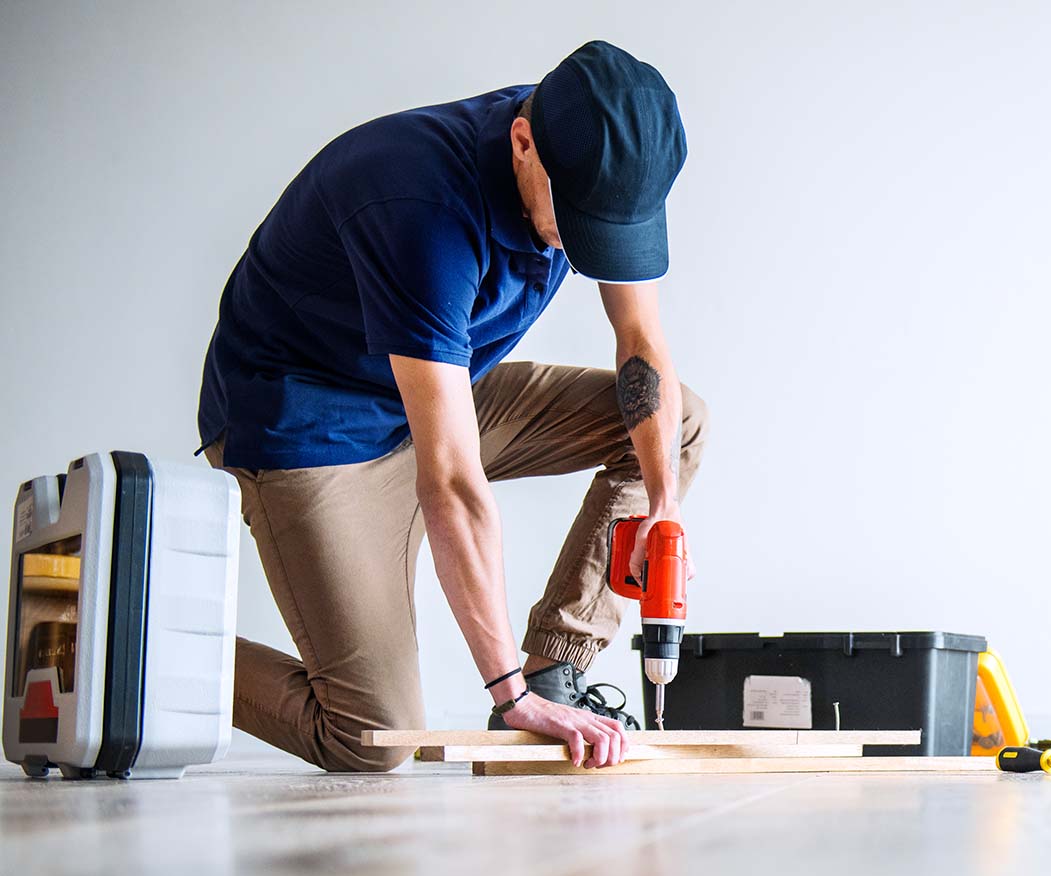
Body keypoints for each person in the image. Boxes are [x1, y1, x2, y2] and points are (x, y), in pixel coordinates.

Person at [196, 40, 707, 772]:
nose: (586, 248)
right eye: (581, 226)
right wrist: (507, 700)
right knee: (370, 737)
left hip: (438, 387)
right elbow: (453, 482)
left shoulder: (593, 146)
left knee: (674, 421)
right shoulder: (419, 206)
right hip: (310, 426)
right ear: (522, 145)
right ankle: (135, 630)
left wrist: (662, 506)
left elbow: (640, 342)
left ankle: (554, 669)